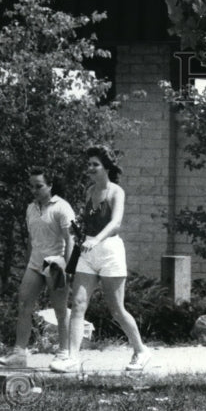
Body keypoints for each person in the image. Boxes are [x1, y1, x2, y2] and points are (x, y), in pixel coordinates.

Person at [49, 146, 151, 373]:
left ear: (106, 167)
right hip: (87, 251)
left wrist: (96, 240)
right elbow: (87, 220)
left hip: (110, 251)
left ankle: (141, 350)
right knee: (77, 305)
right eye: (89, 165)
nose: (90, 169)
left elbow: (116, 223)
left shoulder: (116, 192)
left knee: (116, 309)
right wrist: (79, 230)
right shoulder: (89, 191)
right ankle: (72, 358)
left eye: (95, 164)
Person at [0, 169, 75, 368]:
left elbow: (70, 240)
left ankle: (64, 353)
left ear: (50, 186)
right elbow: (32, 240)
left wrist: (68, 269)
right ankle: (19, 354)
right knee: (23, 304)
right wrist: (28, 262)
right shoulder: (30, 208)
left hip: (56, 264)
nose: (35, 190)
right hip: (35, 263)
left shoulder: (62, 207)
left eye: (39, 186)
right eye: (31, 186)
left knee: (60, 309)